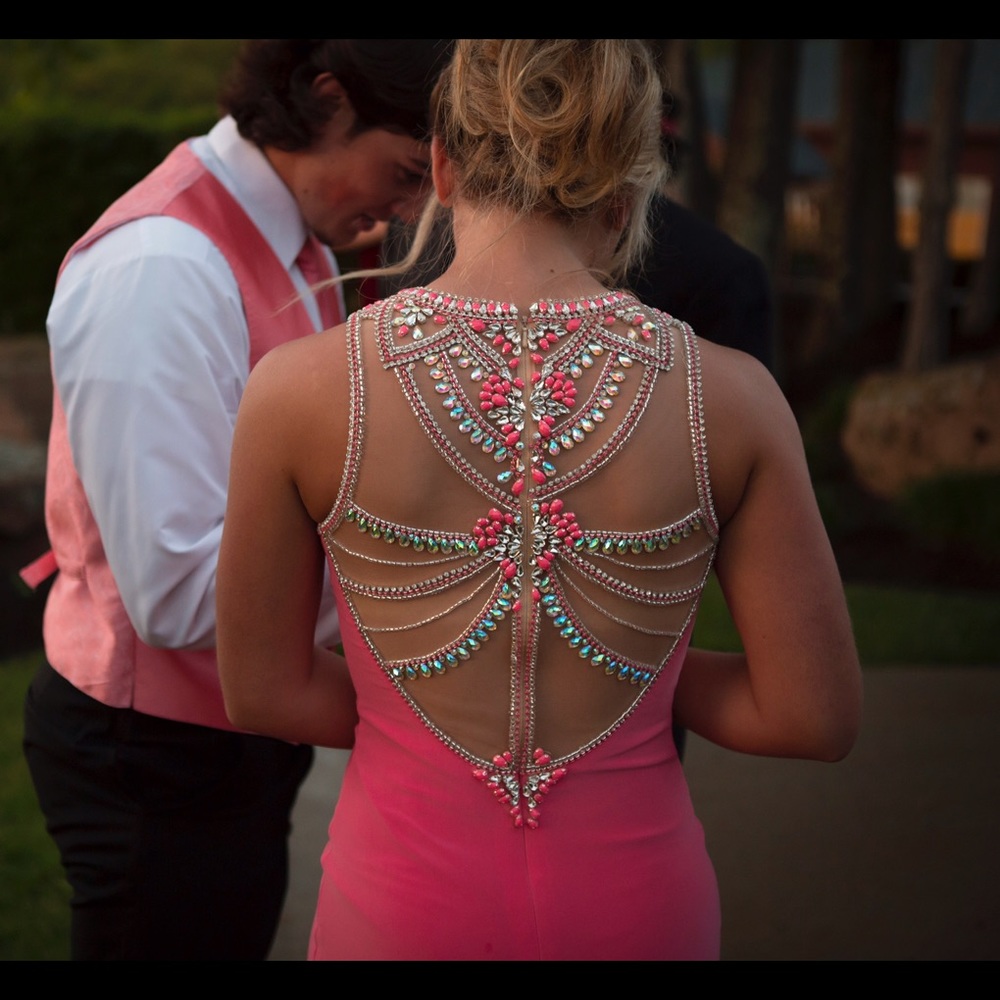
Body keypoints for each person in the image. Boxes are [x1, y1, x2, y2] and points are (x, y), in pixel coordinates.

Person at [217, 39, 862, 960]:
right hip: (637, 904)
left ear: (440, 161)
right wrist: (637, 678)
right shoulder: (733, 399)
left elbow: (262, 690)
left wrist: (410, 700)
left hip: (400, 903)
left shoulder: (300, 390)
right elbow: (812, 716)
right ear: (632, 188)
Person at [21, 38, 453, 961]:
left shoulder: (290, 244)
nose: (413, 208)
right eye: (410, 169)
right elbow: (176, 593)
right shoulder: (162, 266)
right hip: (154, 758)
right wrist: (423, 564)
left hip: (227, 737)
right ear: (329, 99)